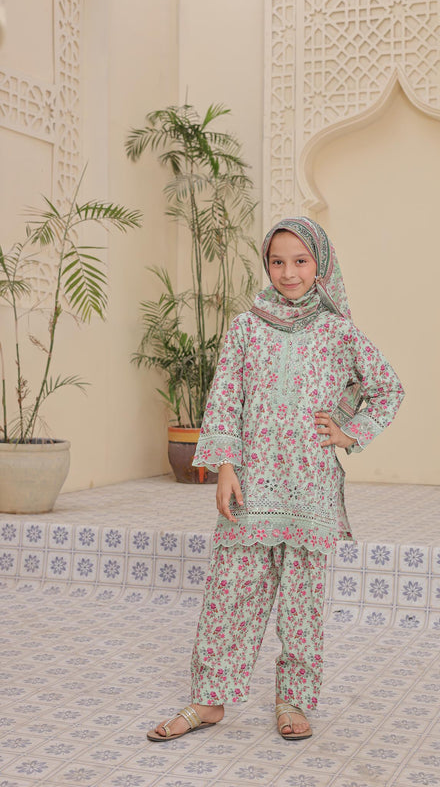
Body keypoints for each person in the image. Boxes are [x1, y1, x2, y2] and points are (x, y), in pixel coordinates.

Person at [147, 216, 404, 742]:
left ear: (320, 265)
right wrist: (224, 467)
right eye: (277, 261)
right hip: (253, 482)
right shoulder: (246, 326)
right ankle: (209, 700)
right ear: (267, 265)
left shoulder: (338, 330)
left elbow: (387, 388)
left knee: (302, 601)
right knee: (229, 593)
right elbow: (225, 398)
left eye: (300, 261)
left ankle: (293, 701)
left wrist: (347, 432)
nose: (288, 272)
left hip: (309, 487)